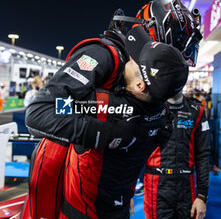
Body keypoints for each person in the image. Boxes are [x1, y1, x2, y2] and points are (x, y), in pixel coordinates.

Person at [23, 0, 202, 219]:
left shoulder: (155, 73)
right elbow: (42, 112)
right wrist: (109, 134)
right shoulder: (105, 56)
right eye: (177, 42)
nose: (178, 55)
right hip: (63, 171)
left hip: (108, 192)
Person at [59, 26, 189, 219]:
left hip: (81, 212)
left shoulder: (105, 105)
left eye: (134, 60)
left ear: (140, 85)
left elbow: (50, 109)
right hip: (119, 209)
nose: (127, 58)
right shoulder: (163, 115)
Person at [140, 91, 210, 219]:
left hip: (186, 188)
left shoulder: (196, 110)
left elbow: (203, 155)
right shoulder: (149, 107)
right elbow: (133, 152)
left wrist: (202, 196)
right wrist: (126, 192)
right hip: (156, 187)